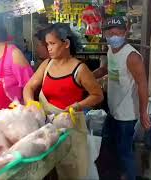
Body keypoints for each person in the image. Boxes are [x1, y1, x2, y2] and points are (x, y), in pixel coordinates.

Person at [23, 23, 103, 179]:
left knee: (71, 173)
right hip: (47, 130)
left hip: (71, 131)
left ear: (66, 44)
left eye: (52, 43)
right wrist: (31, 103)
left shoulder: (80, 69)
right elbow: (29, 87)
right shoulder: (46, 65)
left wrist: (79, 105)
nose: (49, 48)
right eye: (47, 44)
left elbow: (97, 95)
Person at [93, 16, 151, 180]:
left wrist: (143, 113)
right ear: (105, 34)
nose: (114, 36)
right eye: (110, 33)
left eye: (118, 33)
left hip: (127, 115)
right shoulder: (111, 50)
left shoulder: (132, 56)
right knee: (110, 147)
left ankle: (129, 176)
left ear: (125, 33)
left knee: (125, 152)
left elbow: (142, 85)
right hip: (113, 110)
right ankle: (118, 175)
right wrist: (88, 76)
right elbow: (106, 68)